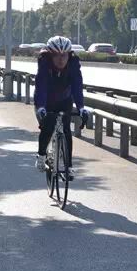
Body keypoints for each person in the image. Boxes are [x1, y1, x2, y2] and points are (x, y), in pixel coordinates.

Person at [34, 36, 89, 180]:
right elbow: (41, 87)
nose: (61, 59)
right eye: (57, 56)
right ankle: (41, 155)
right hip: (46, 100)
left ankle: (68, 166)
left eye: (64, 55)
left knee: (66, 129)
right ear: (50, 55)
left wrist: (81, 107)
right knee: (48, 126)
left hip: (65, 99)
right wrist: (41, 108)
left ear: (69, 55)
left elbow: (77, 86)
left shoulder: (73, 63)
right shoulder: (44, 63)